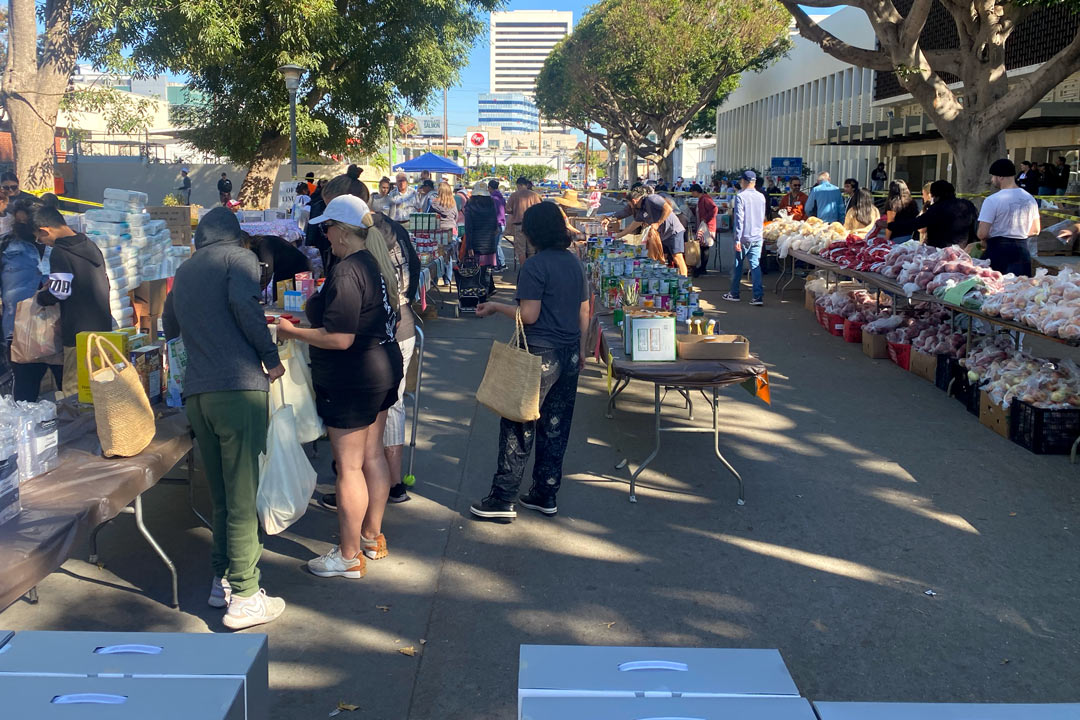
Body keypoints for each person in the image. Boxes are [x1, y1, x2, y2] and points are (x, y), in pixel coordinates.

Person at [162, 208, 286, 629]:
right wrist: (270, 357)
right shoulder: (240, 260)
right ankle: (247, 595)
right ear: (236, 236)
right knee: (242, 496)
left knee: (221, 495)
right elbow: (243, 306)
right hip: (239, 389)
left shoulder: (185, 269)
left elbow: (169, 326)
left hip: (199, 393)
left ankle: (223, 580)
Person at [275, 196, 402, 578]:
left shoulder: (348, 271)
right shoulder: (372, 264)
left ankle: (348, 556)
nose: (324, 234)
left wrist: (291, 332)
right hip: (381, 366)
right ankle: (371, 537)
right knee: (372, 456)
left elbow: (340, 337)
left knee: (349, 466)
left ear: (343, 232)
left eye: (328, 227)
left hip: (355, 374)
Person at [469, 202, 589, 521]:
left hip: (540, 352)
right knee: (556, 425)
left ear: (534, 232)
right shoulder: (574, 263)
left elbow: (529, 315)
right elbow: (584, 312)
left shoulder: (535, 266)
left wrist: (495, 306)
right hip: (569, 352)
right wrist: (584, 350)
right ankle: (545, 491)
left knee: (518, 423)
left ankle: (503, 497)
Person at [32, 205, 111, 396]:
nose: (42, 242)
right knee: (99, 386)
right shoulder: (88, 244)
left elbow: (61, 291)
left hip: (78, 331)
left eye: (40, 238)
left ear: (45, 229)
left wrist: (40, 298)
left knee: (73, 388)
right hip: (103, 328)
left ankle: (75, 425)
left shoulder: (60, 252)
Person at [4, 201, 54, 401]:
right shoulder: (6, 246)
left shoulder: (56, 246)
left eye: (27, 222)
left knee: (67, 390)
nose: (22, 226)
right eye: (19, 222)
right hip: (17, 331)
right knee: (25, 392)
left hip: (54, 328)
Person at [977, 158, 1039, 276]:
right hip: (1022, 250)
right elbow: (1036, 229)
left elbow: (982, 233)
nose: (992, 180)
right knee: (1019, 289)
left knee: (995, 289)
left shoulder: (992, 200)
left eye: (993, 176)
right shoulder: (1030, 199)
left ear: (1000, 177)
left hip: (998, 250)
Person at [722, 170, 766, 306]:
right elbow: (762, 217)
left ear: (745, 181)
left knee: (738, 266)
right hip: (757, 236)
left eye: (741, 180)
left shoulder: (740, 196)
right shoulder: (761, 197)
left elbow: (739, 219)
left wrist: (737, 239)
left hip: (744, 237)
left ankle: (734, 293)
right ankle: (757, 296)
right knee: (755, 266)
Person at [245, 233, 311, 301]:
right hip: (283, 271)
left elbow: (267, 272)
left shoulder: (263, 245)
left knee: (295, 303)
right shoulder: (259, 244)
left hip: (299, 270)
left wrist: (254, 292)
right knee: (280, 302)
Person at [913, 180, 977, 248]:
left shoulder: (935, 208)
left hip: (941, 251)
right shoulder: (967, 205)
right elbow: (975, 226)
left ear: (934, 196)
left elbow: (919, 225)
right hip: (964, 249)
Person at [462, 181, 500, 295]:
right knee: (486, 268)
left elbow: (468, 228)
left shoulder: (470, 205)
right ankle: (490, 287)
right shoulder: (491, 204)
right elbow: (495, 224)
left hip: (476, 243)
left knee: (478, 270)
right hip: (489, 242)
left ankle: (482, 291)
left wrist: (469, 246)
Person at [506, 176, 542, 266]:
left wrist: (515, 210)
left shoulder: (514, 195)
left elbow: (507, 209)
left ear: (520, 185)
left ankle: (523, 270)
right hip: (532, 226)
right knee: (531, 250)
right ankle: (532, 268)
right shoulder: (535, 195)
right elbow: (541, 209)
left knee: (521, 250)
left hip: (519, 226)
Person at [689, 184, 717, 277]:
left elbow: (714, 209)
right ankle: (702, 267)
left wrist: (706, 219)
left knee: (704, 247)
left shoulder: (705, 199)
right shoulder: (702, 199)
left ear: (696, 191)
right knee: (703, 247)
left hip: (707, 226)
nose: (692, 194)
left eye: (693, 192)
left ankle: (703, 268)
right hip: (704, 225)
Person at [488, 179, 508, 270]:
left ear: (490, 188)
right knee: (498, 245)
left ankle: (498, 264)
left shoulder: (492, 198)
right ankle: (501, 263)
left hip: (497, 224)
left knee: (495, 246)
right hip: (503, 222)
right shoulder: (501, 198)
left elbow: (493, 213)